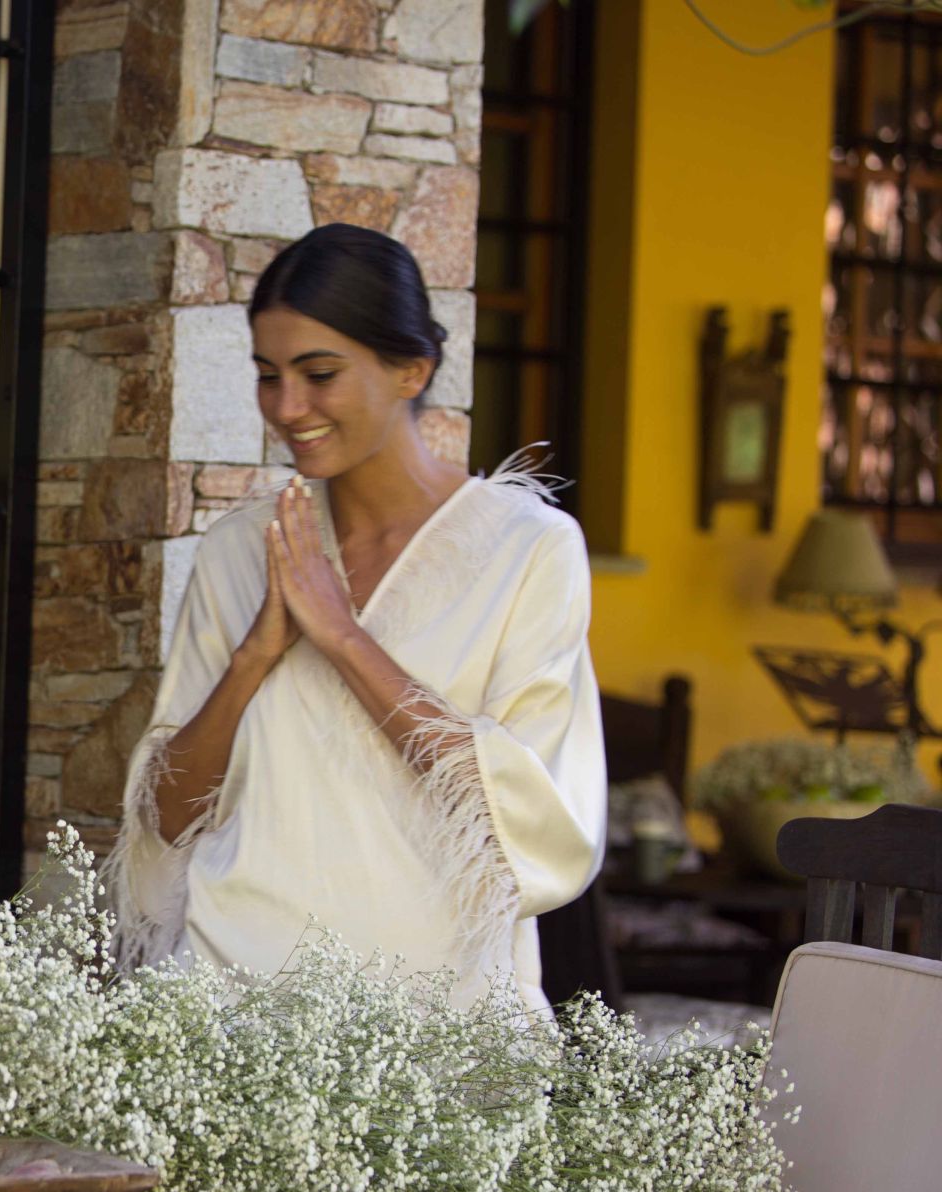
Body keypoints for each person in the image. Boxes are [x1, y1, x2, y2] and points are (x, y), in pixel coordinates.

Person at [110, 224, 606, 1014]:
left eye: (319, 373)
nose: (287, 407)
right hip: (225, 1001)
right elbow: (165, 824)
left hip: (436, 1019)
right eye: (268, 376)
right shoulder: (243, 550)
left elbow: (538, 826)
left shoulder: (528, 550)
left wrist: (342, 636)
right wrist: (252, 660)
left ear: (412, 368)